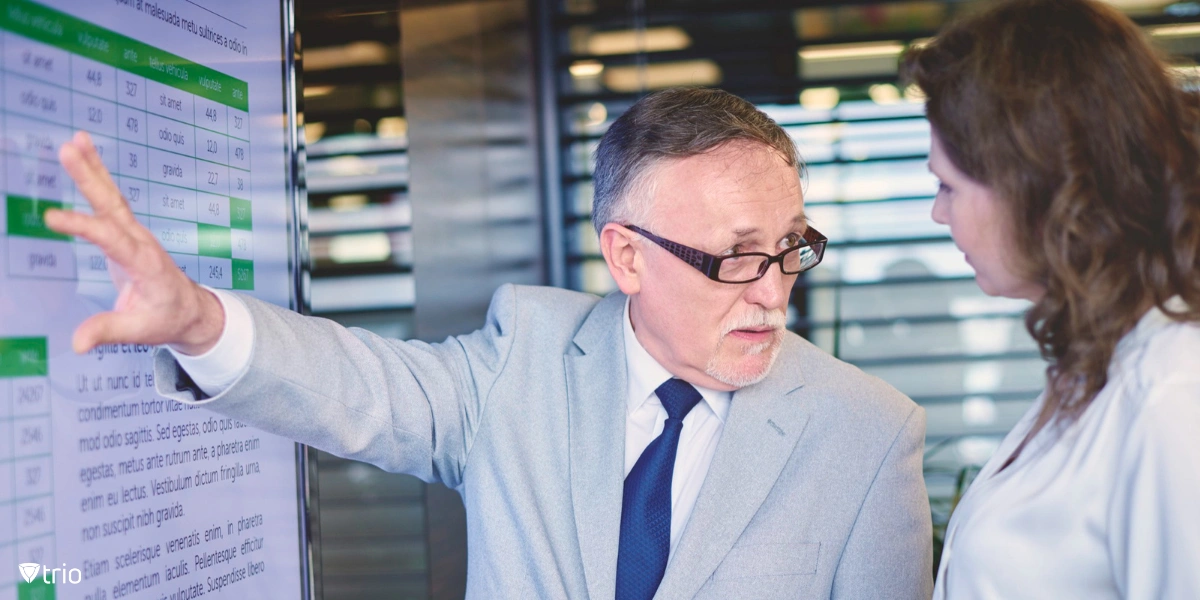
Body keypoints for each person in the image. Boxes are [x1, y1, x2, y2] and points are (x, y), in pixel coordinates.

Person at [47, 88, 932, 599]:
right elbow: (363, 389)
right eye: (735, 260)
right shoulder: (525, 361)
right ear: (626, 255)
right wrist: (199, 321)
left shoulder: (868, 430)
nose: (774, 291)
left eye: (789, 249)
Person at [904, 0, 1200, 597]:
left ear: (1032, 186)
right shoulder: (1098, 364)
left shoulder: (1171, 392)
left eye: (948, 185)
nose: (938, 213)